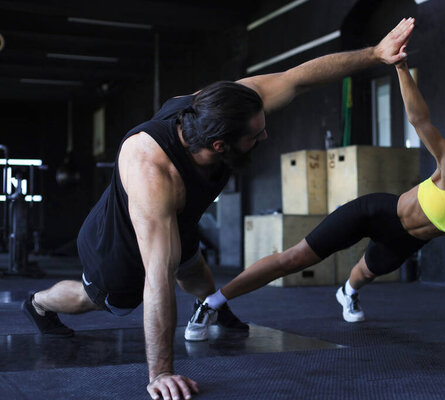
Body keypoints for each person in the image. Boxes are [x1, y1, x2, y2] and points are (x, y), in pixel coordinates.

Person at [21, 18, 416, 400]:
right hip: (119, 244)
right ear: (220, 147)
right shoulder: (152, 172)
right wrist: (160, 372)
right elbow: (157, 278)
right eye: (256, 135)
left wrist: (376, 54)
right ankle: (38, 303)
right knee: (104, 300)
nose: (265, 134)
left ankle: (214, 306)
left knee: (193, 268)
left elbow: (299, 78)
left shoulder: (220, 107)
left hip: (179, 218)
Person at [198, 49, 445, 362]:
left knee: (362, 277)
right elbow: (419, 118)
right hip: (377, 213)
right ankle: (212, 302)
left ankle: (347, 291)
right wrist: (399, 66)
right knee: (295, 258)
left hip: (404, 243)